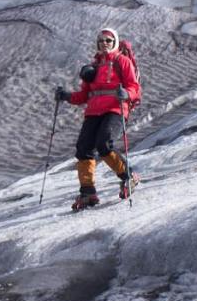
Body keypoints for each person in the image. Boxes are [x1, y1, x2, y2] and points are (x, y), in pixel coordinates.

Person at [54, 28, 141, 210]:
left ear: (115, 42)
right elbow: (84, 95)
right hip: (93, 111)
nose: (104, 43)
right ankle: (88, 192)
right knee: (84, 148)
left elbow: (134, 86)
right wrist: (66, 96)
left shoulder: (122, 62)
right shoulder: (92, 68)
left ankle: (128, 176)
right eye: (101, 41)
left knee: (104, 144)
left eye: (108, 40)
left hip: (116, 108)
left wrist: (127, 94)